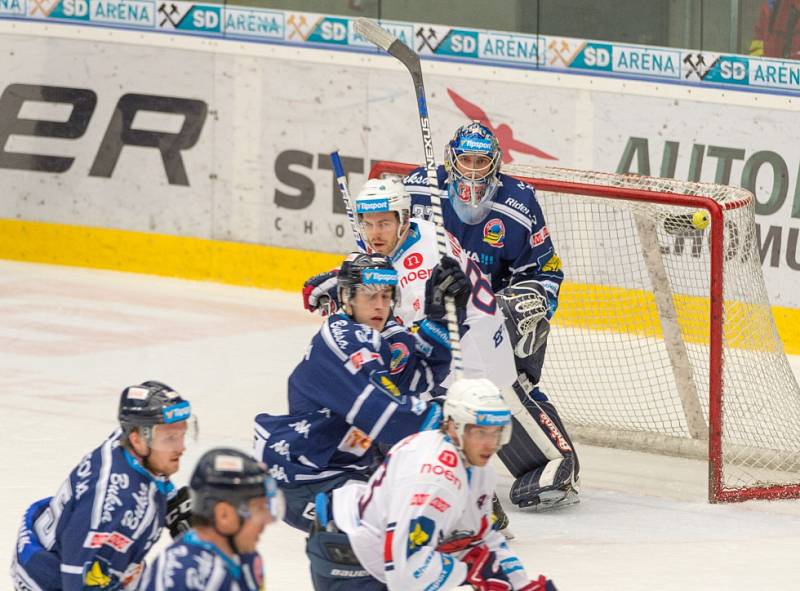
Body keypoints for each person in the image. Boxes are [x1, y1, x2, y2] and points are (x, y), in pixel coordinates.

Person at [404, 121, 579, 511]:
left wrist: (516, 307)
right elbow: (388, 245)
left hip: (492, 314)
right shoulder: (419, 190)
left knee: (503, 385)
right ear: (451, 160)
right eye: (465, 159)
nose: (471, 168)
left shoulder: (518, 203)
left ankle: (550, 459)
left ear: (495, 163)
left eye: (480, 161)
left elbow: (544, 272)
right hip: (432, 310)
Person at [255, 251, 468, 533]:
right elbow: (385, 413)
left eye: (386, 295)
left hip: (346, 468)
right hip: (304, 480)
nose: (380, 305)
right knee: (389, 535)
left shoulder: (382, 333)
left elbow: (420, 375)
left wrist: (442, 319)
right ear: (347, 298)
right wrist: (448, 419)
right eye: (370, 296)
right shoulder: (344, 338)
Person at [306, 378, 557, 591]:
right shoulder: (434, 480)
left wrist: (519, 584)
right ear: (453, 427)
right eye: (480, 432)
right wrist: (469, 571)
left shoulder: (479, 470)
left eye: (497, 432)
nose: (491, 444)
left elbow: (481, 538)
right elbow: (404, 573)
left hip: (381, 554)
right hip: (349, 560)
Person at [303, 177, 516, 393]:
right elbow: (392, 266)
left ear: (403, 219)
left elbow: (418, 346)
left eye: (384, 224)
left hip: (470, 370)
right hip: (480, 344)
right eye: (368, 223)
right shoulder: (420, 228)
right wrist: (349, 276)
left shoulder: (420, 277)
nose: (375, 233)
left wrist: (351, 298)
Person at [11, 380, 196, 591]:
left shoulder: (132, 443)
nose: (181, 448)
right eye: (170, 438)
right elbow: (79, 583)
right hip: (52, 581)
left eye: (182, 434)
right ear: (137, 440)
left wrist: (173, 504)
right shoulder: (115, 510)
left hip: (76, 556)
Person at [137, 447, 284, 590]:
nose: (265, 522)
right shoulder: (182, 577)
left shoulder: (248, 557)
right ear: (224, 515)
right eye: (258, 509)